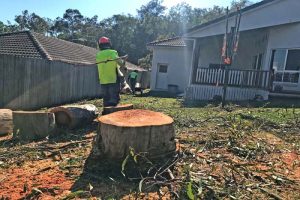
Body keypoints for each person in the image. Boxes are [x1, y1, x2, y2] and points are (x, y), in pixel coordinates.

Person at [96, 37, 126, 107]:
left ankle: (105, 115)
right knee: (114, 100)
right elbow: (121, 63)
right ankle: (114, 115)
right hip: (113, 79)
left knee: (106, 100)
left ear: (100, 45)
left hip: (103, 80)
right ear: (109, 44)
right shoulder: (113, 52)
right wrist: (124, 60)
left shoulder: (98, 54)